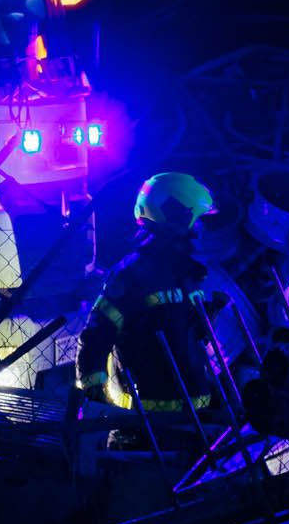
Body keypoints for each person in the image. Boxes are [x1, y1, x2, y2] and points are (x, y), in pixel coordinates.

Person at [76, 173, 223, 430]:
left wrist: (208, 316)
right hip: (146, 424)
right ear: (177, 216)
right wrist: (94, 397)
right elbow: (96, 337)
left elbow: (184, 333)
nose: (202, 230)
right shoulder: (133, 274)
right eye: (198, 220)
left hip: (196, 414)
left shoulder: (186, 271)